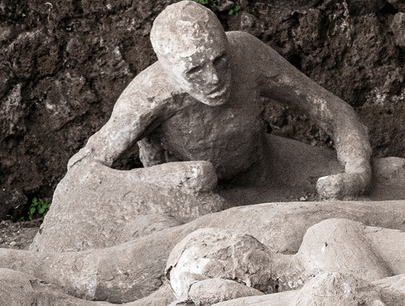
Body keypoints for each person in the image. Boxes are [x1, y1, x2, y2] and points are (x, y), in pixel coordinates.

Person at [68, 0, 373, 203]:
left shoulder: (246, 53)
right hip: (194, 200)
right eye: (194, 70)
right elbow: (83, 172)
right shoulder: (146, 96)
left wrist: (358, 170)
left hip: (265, 170)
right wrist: (164, 181)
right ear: (169, 69)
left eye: (219, 60)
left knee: (390, 179)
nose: (214, 79)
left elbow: (330, 107)